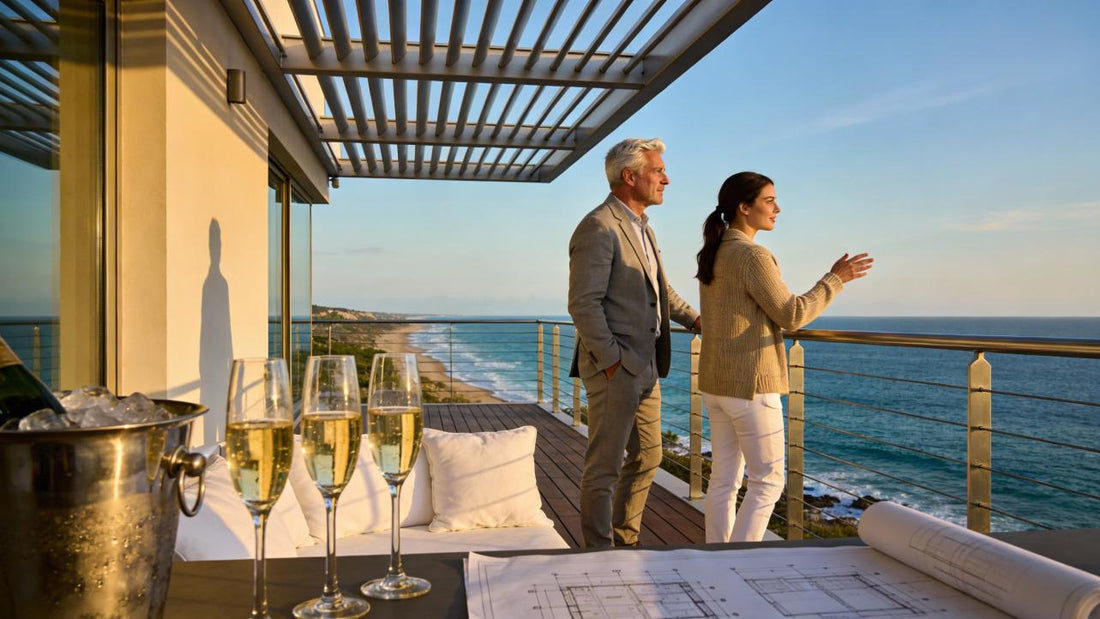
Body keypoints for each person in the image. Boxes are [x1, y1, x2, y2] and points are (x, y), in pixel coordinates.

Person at [695, 171, 872, 543]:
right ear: (745, 208)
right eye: (769, 200)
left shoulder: (717, 250)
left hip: (717, 384)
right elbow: (791, 314)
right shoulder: (751, 255)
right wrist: (835, 279)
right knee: (768, 481)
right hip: (750, 385)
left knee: (725, 481)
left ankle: (717, 558)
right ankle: (741, 563)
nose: (778, 208)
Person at [568, 137, 701, 548]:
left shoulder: (642, 226)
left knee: (648, 456)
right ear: (630, 177)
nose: (666, 179)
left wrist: (697, 319)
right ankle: (598, 550)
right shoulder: (599, 226)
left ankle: (624, 541)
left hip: (646, 365)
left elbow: (659, 289)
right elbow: (582, 304)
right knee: (605, 466)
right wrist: (612, 361)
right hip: (618, 367)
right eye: (658, 171)